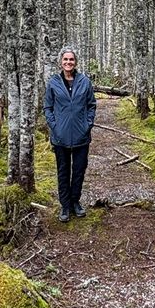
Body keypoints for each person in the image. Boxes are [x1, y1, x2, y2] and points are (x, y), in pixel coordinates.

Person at [43, 46, 96, 222]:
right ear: (61, 62)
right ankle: (65, 206)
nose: (68, 62)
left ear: (75, 62)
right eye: (65, 59)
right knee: (63, 171)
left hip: (81, 136)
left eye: (71, 59)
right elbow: (48, 107)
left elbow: (91, 105)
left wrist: (87, 125)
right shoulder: (53, 83)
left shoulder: (84, 82)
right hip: (60, 136)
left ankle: (75, 202)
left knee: (79, 170)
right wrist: (54, 126)